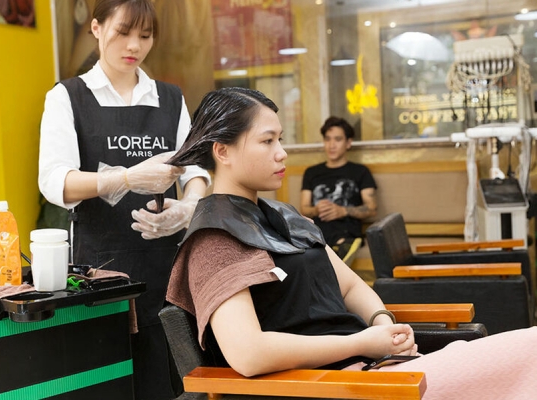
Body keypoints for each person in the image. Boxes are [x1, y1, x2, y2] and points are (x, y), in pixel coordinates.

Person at [165, 87, 537, 399]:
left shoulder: (283, 216)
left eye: (280, 139)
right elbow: (248, 353)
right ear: (223, 151)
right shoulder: (215, 239)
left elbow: (350, 286)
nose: (282, 152)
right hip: (332, 385)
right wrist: (363, 342)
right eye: (267, 141)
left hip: (373, 368)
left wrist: (383, 325)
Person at [38, 0, 210, 398]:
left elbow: (196, 170)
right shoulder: (68, 97)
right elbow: (55, 181)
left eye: (145, 36)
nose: (134, 45)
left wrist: (188, 208)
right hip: (100, 272)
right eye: (123, 32)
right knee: (107, 383)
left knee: (167, 381)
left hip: (165, 270)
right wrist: (127, 177)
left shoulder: (169, 98)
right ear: (96, 28)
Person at [300, 116, 377, 259]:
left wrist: (342, 211)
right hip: (318, 230)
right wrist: (316, 209)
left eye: (338, 139)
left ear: (348, 143)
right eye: (327, 139)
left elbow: (371, 208)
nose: (331, 145)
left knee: (340, 238)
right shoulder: (311, 172)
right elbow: (304, 209)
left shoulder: (360, 172)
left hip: (346, 231)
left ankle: (336, 253)